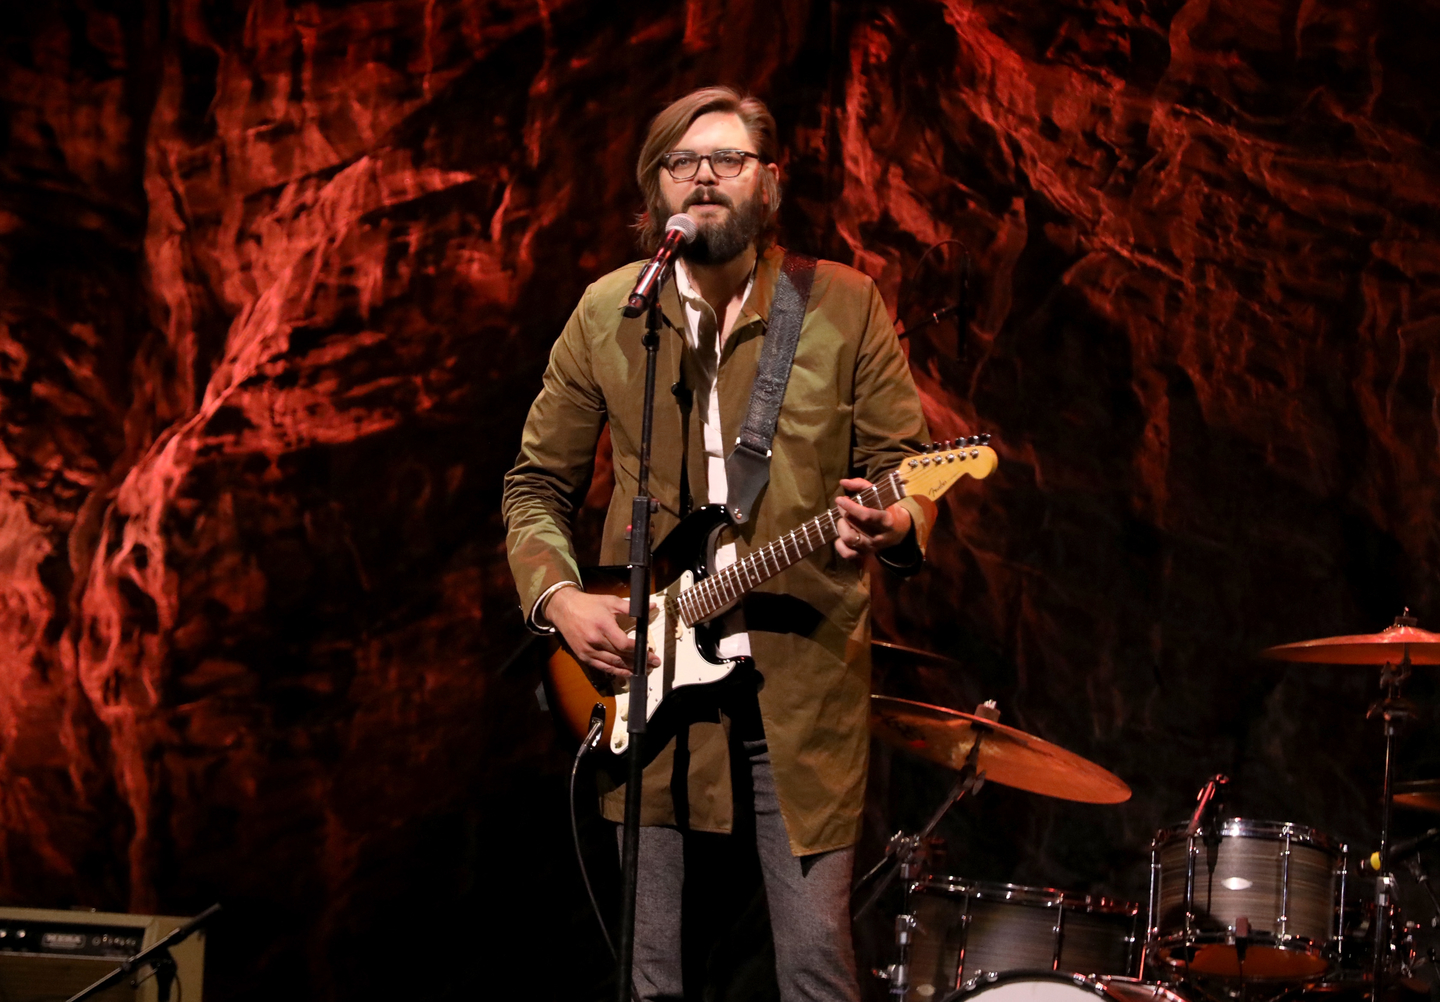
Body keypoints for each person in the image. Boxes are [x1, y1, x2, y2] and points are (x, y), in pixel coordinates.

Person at [502, 86, 933, 1002]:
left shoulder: (845, 306)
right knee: (646, 972)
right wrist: (560, 599)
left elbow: (906, 466)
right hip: (647, 676)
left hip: (800, 680)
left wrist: (895, 519)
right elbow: (537, 484)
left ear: (768, 184)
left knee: (816, 963)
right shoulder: (612, 313)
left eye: (728, 160)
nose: (704, 177)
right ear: (654, 189)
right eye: (682, 162)